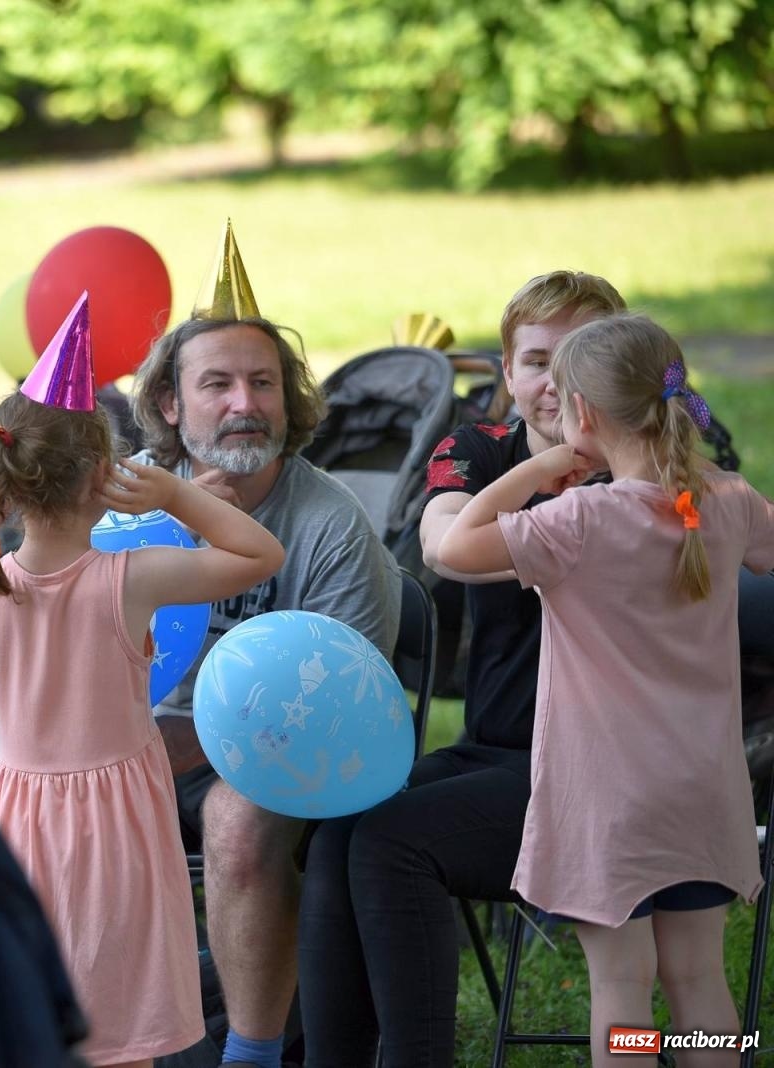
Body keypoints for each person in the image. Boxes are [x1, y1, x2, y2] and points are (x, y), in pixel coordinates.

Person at [296, 270, 626, 1067]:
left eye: (583, 357)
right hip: (498, 751)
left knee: (393, 842)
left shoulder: (644, 473)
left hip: (606, 770)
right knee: (339, 823)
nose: (559, 382)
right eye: (539, 361)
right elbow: (449, 546)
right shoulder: (478, 448)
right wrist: (545, 472)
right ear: (507, 376)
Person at [437, 312, 773, 1064]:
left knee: (623, 989)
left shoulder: (577, 519)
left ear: (582, 416)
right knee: (699, 979)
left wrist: (533, 470)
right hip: (707, 792)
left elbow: (456, 549)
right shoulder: (723, 503)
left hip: (609, 804)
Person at [0, 387, 285, 1068]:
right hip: (114, 832)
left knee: (35, 1017)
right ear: (101, 477)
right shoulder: (131, 579)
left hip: (15, 821)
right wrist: (172, 495)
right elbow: (261, 555)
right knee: (118, 1025)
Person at [127, 314, 401, 1068]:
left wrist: (197, 742)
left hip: (280, 753)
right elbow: (68, 641)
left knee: (240, 825)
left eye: (263, 383)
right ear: (172, 404)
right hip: (134, 742)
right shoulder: (128, 501)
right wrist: (178, 529)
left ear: (289, 400)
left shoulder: (330, 524)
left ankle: (249, 1055)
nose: (244, 404)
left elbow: (348, 708)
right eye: (216, 384)